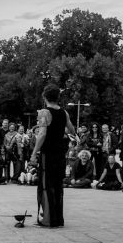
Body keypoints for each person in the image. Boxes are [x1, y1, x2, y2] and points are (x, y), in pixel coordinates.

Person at [29, 84, 76, 227]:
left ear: (44, 97)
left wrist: (33, 153)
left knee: (46, 185)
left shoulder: (44, 112)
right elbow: (72, 130)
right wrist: (61, 133)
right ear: (58, 97)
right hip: (60, 153)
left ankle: (48, 219)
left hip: (48, 153)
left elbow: (42, 134)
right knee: (57, 185)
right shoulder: (64, 112)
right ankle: (58, 219)